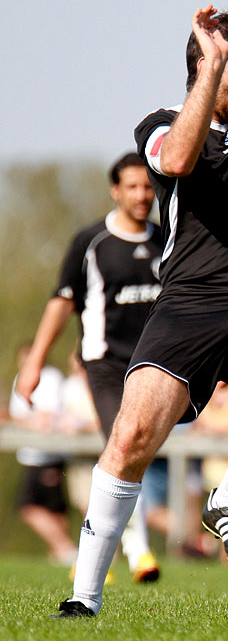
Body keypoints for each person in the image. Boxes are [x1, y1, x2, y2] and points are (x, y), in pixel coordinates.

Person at [52, 5, 228, 618]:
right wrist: (209, 69)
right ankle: (84, 598)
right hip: (190, 302)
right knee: (128, 439)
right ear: (208, 66)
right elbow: (175, 162)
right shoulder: (165, 122)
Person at [16, 151, 163, 584]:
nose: (141, 195)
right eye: (132, 187)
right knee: (123, 445)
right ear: (115, 191)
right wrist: (35, 364)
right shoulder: (92, 242)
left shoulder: (169, 239)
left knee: (134, 456)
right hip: (104, 365)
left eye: (148, 186)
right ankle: (136, 551)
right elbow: (62, 302)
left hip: (154, 365)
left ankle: (99, 549)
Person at [10, 343, 78, 567]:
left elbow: (45, 418)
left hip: (48, 454)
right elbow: (20, 416)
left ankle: (67, 550)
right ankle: (61, 553)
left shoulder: (50, 377)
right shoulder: (21, 378)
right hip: (31, 454)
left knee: (30, 507)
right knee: (52, 509)